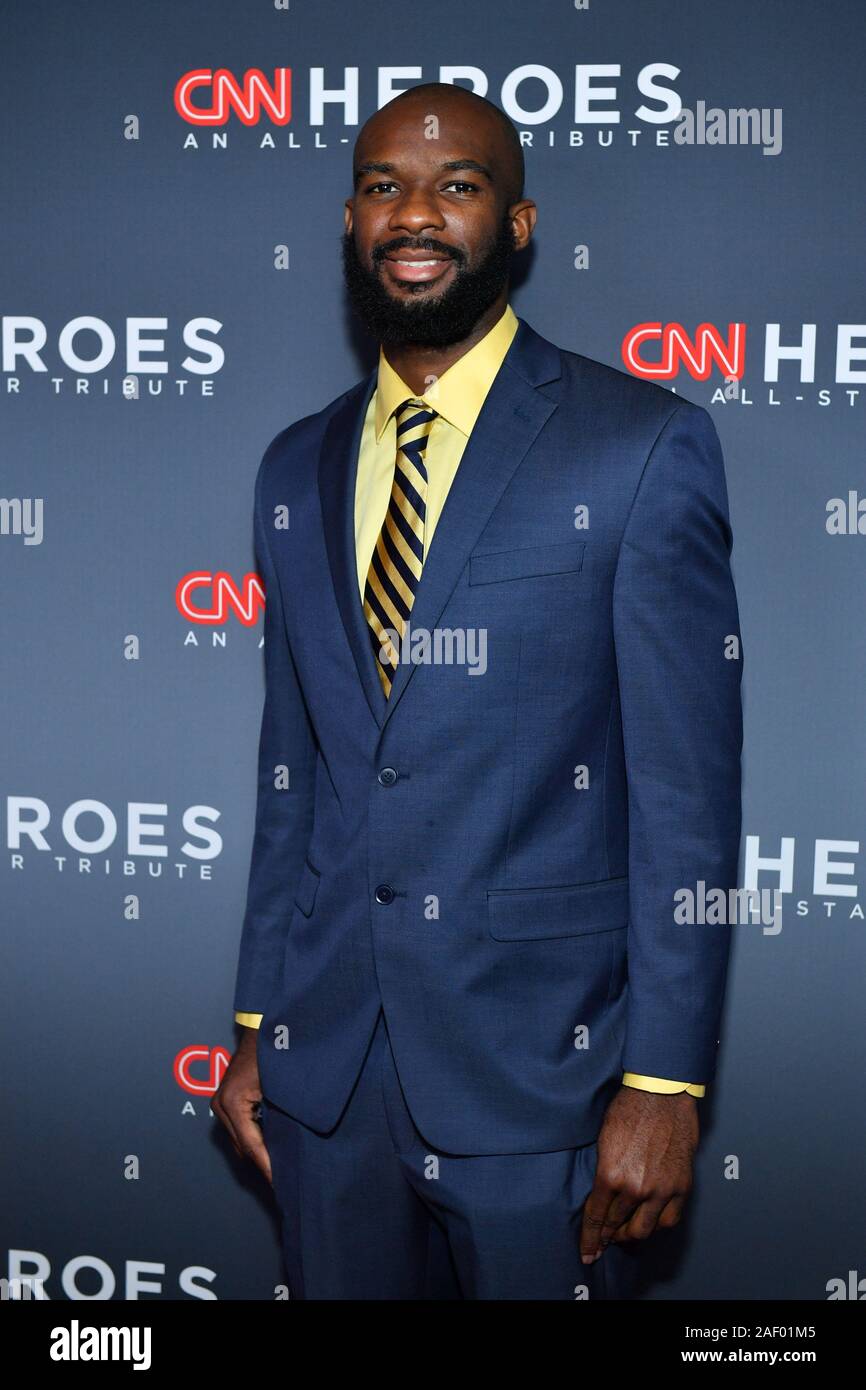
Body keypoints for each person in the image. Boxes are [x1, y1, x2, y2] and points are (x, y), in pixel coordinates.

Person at [213, 81, 743, 1301]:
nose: (415, 213)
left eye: (456, 186)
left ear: (516, 224)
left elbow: (684, 797)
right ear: (349, 217)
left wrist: (663, 1084)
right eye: (384, 185)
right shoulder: (294, 463)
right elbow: (291, 778)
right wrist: (257, 1024)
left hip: (540, 1083)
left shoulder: (638, 446)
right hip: (326, 1082)